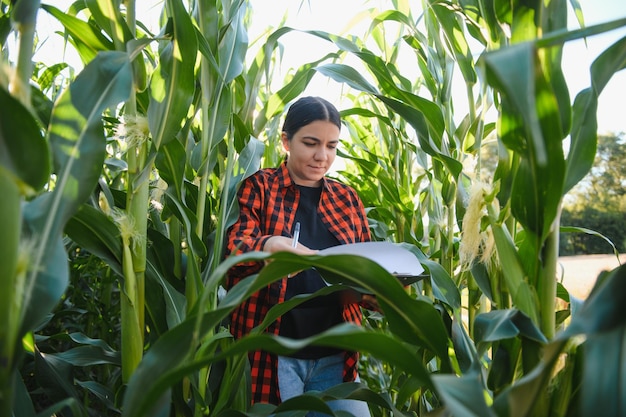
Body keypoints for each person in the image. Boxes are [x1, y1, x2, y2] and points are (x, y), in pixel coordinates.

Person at [224, 96, 376, 416]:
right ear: (286, 141)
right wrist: (269, 245)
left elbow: (365, 266)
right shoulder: (260, 188)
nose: (322, 156)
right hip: (274, 357)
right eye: (310, 143)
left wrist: (382, 290)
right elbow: (233, 249)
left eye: (332, 146)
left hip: (337, 358)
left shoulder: (347, 200)